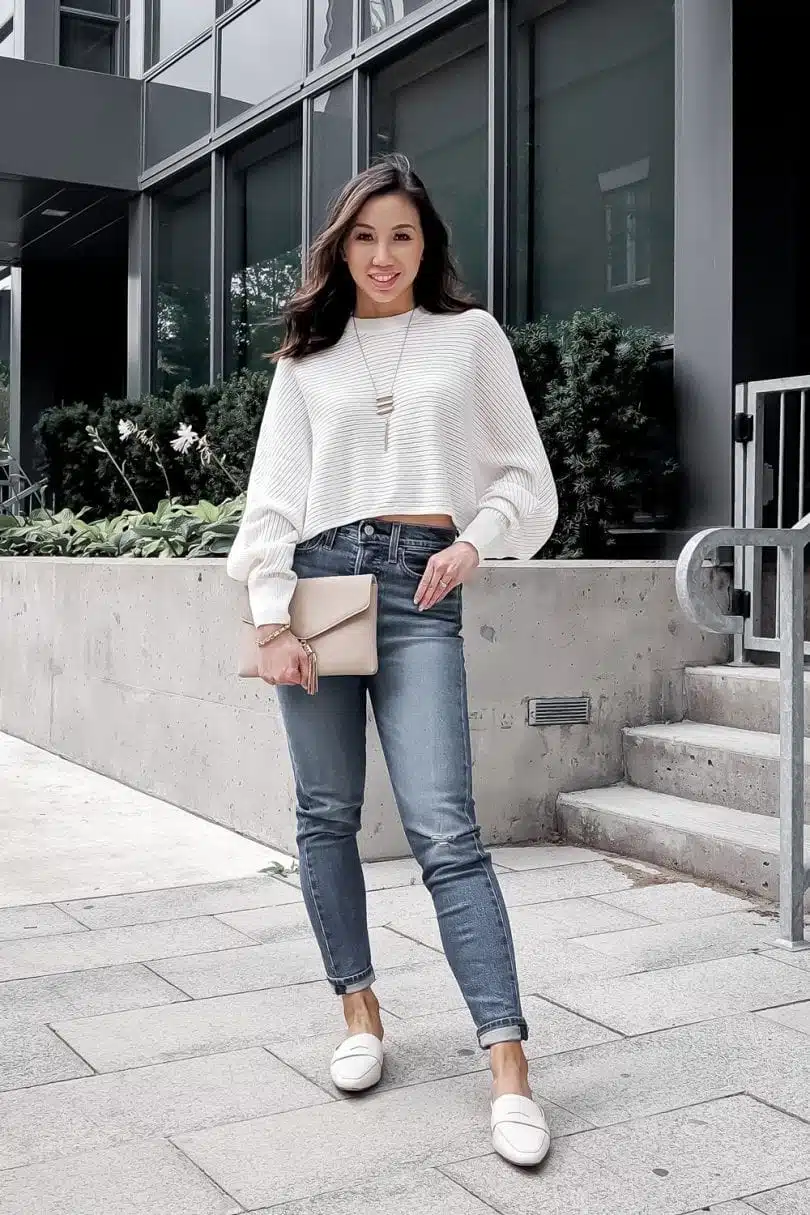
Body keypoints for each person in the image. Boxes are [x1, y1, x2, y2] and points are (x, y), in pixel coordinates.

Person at [226, 154, 558, 1168]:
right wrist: (270, 617)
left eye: (402, 236)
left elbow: (523, 476)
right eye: (364, 237)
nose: (382, 255)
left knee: (445, 831)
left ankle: (507, 1065)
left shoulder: (470, 339)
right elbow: (275, 497)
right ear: (341, 246)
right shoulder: (307, 358)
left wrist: (475, 540)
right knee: (324, 815)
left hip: (421, 587)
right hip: (321, 582)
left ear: (427, 245)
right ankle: (359, 1011)